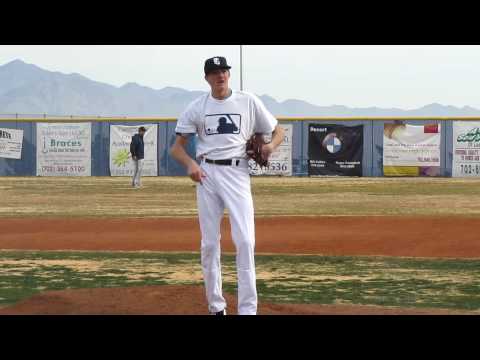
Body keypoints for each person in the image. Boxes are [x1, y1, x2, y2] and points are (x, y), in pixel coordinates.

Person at [169, 56, 285, 315]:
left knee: (245, 241)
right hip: (207, 173)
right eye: (214, 72)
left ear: (229, 75)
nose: (220, 76)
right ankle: (216, 307)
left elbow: (278, 131)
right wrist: (190, 164)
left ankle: (247, 310)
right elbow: (176, 148)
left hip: (237, 172)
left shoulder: (248, 101)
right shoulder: (197, 107)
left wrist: (268, 147)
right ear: (206, 78)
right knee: (210, 244)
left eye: (224, 71)